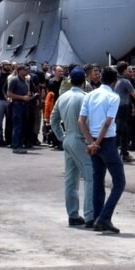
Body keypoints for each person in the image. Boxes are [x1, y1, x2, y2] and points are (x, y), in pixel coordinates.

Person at [79, 66, 125, 234]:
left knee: (98, 181)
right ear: (115, 81)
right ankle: (104, 217)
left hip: (94, 140)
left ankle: (98, 217)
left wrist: (91, 142)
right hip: (106, 141)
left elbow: (81, 121)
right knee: (119, 182)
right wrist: (97, 142)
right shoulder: (113, 96)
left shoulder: (90, 95)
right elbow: (107, 123)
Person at [51, 67, 94, 227]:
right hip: (80, 139)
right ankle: (90, 216)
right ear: (84, 81)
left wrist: (61, 136)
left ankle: (73, 214)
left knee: (71, 179)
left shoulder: (63, 97)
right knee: (90, 177)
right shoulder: (85, 97)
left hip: (68, 138)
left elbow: (53, 119)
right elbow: (89, 120)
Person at [6, 65, 36, 154]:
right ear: (19, 71)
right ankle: (15, 145)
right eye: (25, 70)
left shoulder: (26, 80)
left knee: (23, 126)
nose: (27, 71)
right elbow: (9, 94)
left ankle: (20, 144)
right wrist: (22, 97)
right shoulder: (14, 80)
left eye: (27, 69)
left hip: (24, 105)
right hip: (17, 105)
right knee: (17, 126)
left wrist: (30, 97)